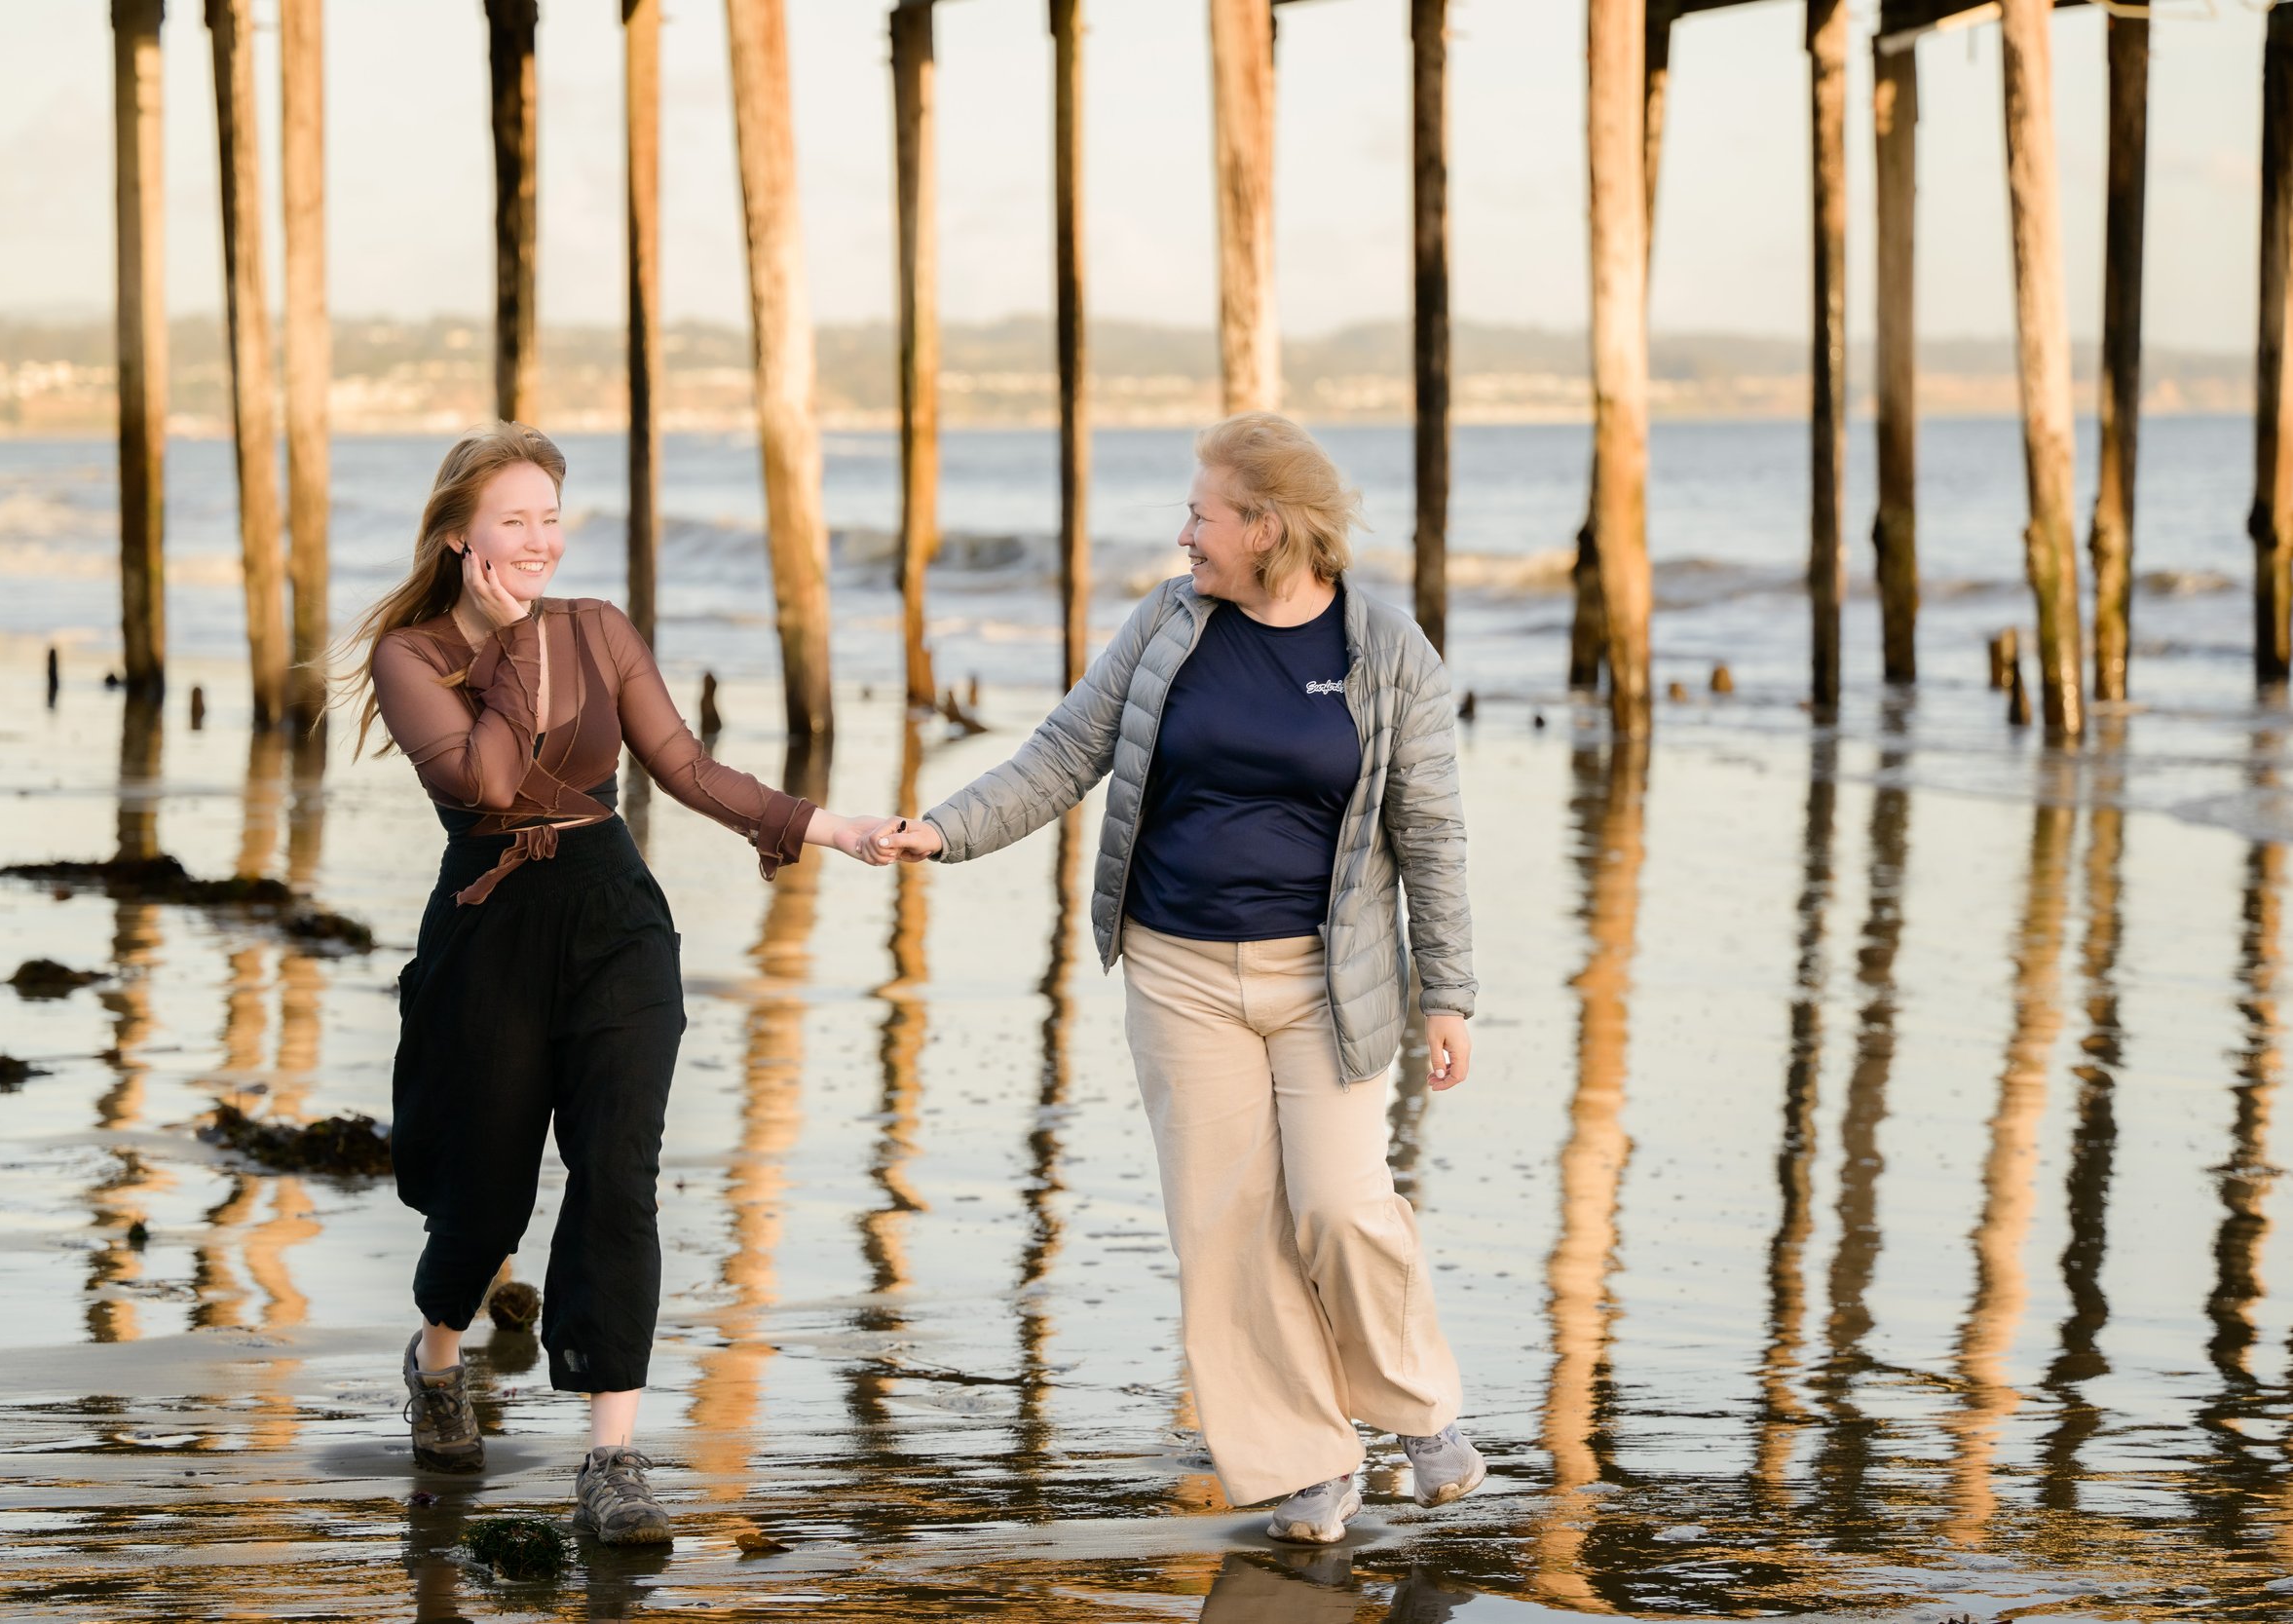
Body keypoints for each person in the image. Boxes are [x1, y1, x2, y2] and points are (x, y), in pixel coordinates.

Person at [881, 412, 1483, 1544]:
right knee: (1227, 1224)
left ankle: (1416, 1407)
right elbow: (1066, 750)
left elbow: (1433, 835)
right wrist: (942, 831)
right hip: (1176, 967)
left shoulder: (1387, 651)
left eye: (1202, 515)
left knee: (1339, 1204)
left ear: (1265, 526)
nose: (1183, 535)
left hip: (1327, 978)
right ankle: (1302, 1461)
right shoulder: (1171, 622)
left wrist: (1445, 990)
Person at [330, 423, 896, 1544]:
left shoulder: (598, 626)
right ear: (458, 537)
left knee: (619, 1171)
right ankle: (438, 1358)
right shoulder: (413, 654)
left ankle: (614, 1454)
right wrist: (504, 644)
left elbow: (683, 766)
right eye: (513, 521)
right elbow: (490, 783)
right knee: (485, 1191)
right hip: (489, 931)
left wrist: (827, 825)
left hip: (616, 922)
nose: (540, 541)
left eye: (551, 517)